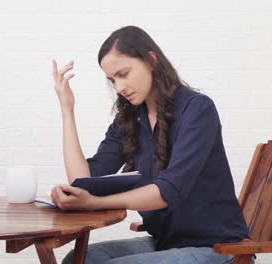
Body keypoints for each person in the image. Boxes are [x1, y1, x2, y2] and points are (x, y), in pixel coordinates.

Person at [50, 25, 251, 264]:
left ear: (151, 60)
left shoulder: (198, 110)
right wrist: (67, 110)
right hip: (167, 244)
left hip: (217, 248)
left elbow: (168, 191)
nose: (119, 87)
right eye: (112, 80)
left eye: (123, 74)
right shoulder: (130, 119)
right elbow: (83, 181)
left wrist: (94, 203)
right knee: (78, 259)